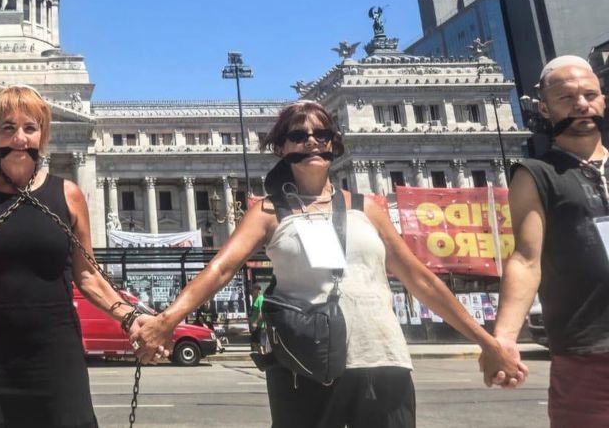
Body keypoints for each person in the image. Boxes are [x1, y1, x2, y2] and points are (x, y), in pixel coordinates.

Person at [130, 100, 523, 427]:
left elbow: (420, 280)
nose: (312, 141)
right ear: (281, 147)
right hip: (305, 365)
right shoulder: (268, 212)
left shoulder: (368, 208)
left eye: (322, 134)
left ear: (335, 143)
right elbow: (221, 268)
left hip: (381, 359)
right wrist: (167, 320)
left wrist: (487, 341)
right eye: (298, 135)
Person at [0, 85, 158, 427]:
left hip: (54, 355)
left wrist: (130, 317)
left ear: (42, 137)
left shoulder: (69, 195)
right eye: (8, 127)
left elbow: (88, 275)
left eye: (29, 128)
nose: (19, 138)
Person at [492, 55, 609, 425]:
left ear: (603, 100)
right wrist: (504, 337)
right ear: (544, 108)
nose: (581, 104)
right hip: (588, 352)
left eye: (590, 95)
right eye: (567, 98)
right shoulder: (535, 174)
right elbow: (526, 260)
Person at [248, 282, 268, 353]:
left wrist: (255, 323)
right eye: (252, 290)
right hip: (255, 325)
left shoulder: (260, 299)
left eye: (253, 290)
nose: (252, 291)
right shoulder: (254, 298)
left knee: (262, 344)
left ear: (258, 290)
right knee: (254, 343)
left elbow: (261, 313)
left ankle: (264, 356)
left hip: (260, 326)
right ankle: (262, 355)